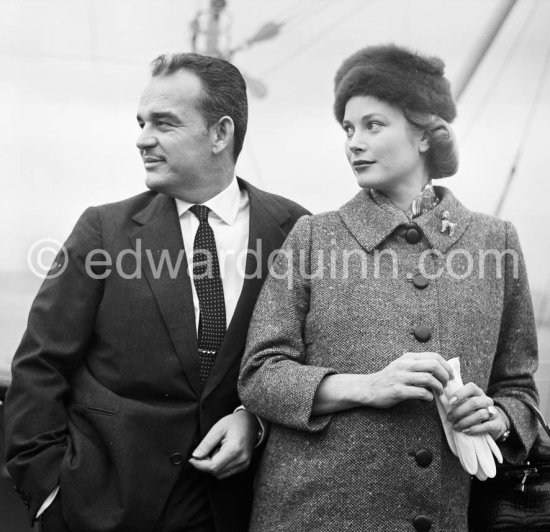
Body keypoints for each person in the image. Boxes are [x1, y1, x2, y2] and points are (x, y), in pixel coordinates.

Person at [239, 44, 539, 531]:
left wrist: (497, 417)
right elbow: (259, 376)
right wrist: (368, 386)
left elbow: (519, 390)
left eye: (373, 125)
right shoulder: (315, 236)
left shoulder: (495, 243)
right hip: (310, 516)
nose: (354, 142)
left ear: (425, 133)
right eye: (348, 129)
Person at [4, 53, 308, 532]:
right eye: (142, 122)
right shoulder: (103, 230)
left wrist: (255, 420)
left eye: (164, 123)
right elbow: (38, 368)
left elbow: (303, 366)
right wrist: (48, 495)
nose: (143, 138)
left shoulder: (295, 230)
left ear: (220, 134)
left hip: (239, 511)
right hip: (102, 510)